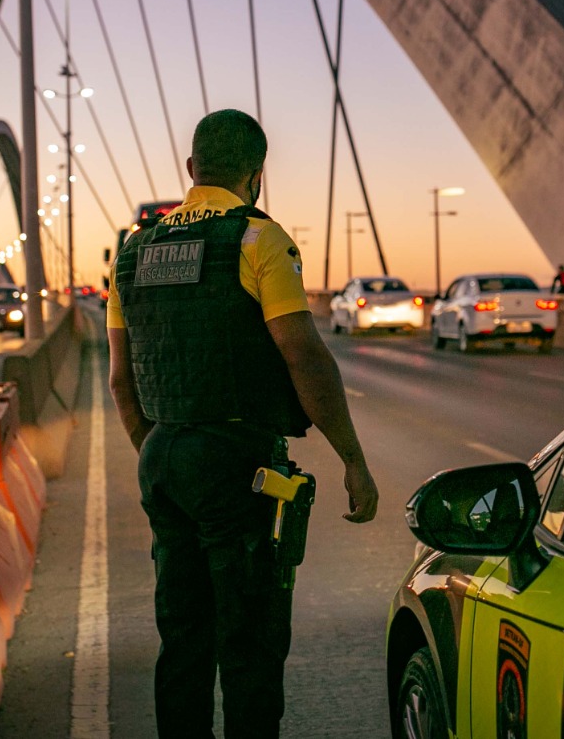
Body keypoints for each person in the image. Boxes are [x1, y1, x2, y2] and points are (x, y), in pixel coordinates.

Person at [107, 109, 379, 738]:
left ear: (190, 169)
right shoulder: (259, 240)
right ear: (258, 174)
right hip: (237, 461)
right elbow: (303, 355)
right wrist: (353, 461)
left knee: (182, 637)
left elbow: (123, 381)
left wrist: (162, 452)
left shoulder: (133, 252)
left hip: (162, 455)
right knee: (250, 639)